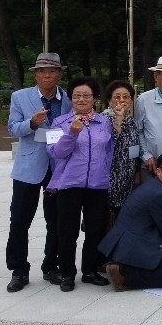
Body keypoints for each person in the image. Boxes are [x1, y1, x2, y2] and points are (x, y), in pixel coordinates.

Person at [4, 52, 71, 292]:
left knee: (56, 221)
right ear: (35, 75)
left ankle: (50, 266)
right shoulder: (20, 97)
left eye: (52, 71)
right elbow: (12, 128)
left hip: (57, 168)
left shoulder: (67, 100)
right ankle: (19, 270)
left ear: (59, 74)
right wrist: (31, 123)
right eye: (42, 71)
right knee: (20, 220)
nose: (47, 75)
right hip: (28, 168)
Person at [47, 77, 114, 291]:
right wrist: (71, 134)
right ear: (70, 98)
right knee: (68, 230)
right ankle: (67, 273)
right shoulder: (58, 122)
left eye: (86, 95)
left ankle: (90, 270)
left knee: (94, 229)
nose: (81, 99)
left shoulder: (104, 122)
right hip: (68, 184)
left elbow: (109, 150)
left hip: (98, 184)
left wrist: (104, 171)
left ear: (94, 98)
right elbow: (56, 153)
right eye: (77, 95)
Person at [100, 150, 162, 291]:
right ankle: (124, 273)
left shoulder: (154, 186)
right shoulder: (158, 194)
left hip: (133, 236)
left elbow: (161, 217)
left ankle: (143, 263)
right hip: (136, 243)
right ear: (159, 171)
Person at [103, 80, 142, 222]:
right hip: (108, 184)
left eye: (126, 97)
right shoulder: (103, 119)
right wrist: (117, 121)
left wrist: (137, 171)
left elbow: (136, 148)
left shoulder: (131, 122)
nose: (122, 100)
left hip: (127, 184)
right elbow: (106, 145)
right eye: (117, 96)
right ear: (109, 100)